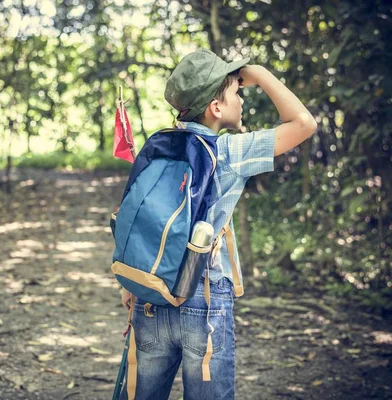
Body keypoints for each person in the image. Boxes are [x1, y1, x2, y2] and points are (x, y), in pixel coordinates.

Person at [118, 48, 317, 399]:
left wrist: (132, 285)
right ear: (216, 108)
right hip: (204, 299)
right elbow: (304, 124)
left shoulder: (162, 146)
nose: (242, 98)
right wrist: (258, 72)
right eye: (237, 92)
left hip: (149, 293)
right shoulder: (229, 152)